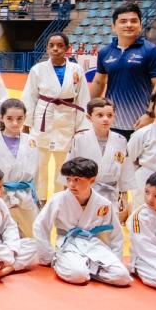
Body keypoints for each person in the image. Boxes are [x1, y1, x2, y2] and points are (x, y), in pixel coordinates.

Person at [33, 157, 130, 287]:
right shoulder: (58, 200)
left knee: (122, 276)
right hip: (68, 244)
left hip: (93, 244)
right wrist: (47, 255)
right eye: (68, 179)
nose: (72, 184)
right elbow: (40, 226)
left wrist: (115, 257)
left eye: (77, 180)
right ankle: (66, 262)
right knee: (78, 276)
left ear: (92, 180)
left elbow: (115, 234)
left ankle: (88, 267)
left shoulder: (103, 203)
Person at [22, 33, 90, 199]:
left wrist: (82, 127)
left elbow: (82, 99)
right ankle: (40, 199)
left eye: (60, 46)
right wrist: (26, 123)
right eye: (51, 45)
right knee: (40, 163)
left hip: (67, 119)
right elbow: (30, 96)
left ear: (67, 48)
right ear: (47, 48)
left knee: (64, 164)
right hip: (43, 118)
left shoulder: (76, 70)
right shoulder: (37, 69)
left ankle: (60, 199)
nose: (55, 49)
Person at [89, 3, 156, 136]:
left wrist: (150, 114)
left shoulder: (153, 51)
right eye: (123, 21)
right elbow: (98, 83)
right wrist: (90, 109)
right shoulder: (105, 52)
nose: (129, 25)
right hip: (110, 121)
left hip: (142, 121)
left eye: (134, 21)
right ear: (113, 26)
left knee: (139, 157)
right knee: (114, 157)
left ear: (140, 25)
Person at [0, 99, 40, 238]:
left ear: (25, 118)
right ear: (1, 118)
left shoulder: (32, 141)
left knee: (35, 238)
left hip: (26, 196)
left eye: (19, 119)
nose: (15, 123)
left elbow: (37, 174)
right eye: (10, 118)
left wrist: (37, 197)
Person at [67, 98, 132, 214]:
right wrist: (67, 194)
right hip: (83, 191)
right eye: (100, 115)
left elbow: (125, 171)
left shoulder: (120, 140)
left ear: (114, 116)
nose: (105, 119)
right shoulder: (80, 138)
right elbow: (69, 168)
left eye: (109, 115)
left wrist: (125, 197)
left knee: (108, 228)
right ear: (89, 117)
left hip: (110, 193)